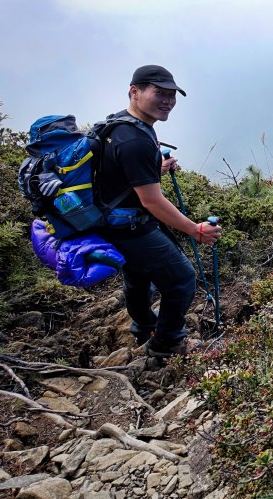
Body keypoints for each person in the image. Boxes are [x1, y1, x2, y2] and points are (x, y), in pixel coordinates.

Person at [95, 65, 222, 359]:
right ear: (134, 91)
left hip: (112, 222)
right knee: (180, 280)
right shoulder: (136, 139)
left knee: (138, 279)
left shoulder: (120, 124)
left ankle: (143, 327)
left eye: (171, 95)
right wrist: (194, 229)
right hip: (131, 228)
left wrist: (156, 169)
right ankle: (167, 342)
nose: (167, 101)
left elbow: (118, 176)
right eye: (159, 93)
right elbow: (151, 201)